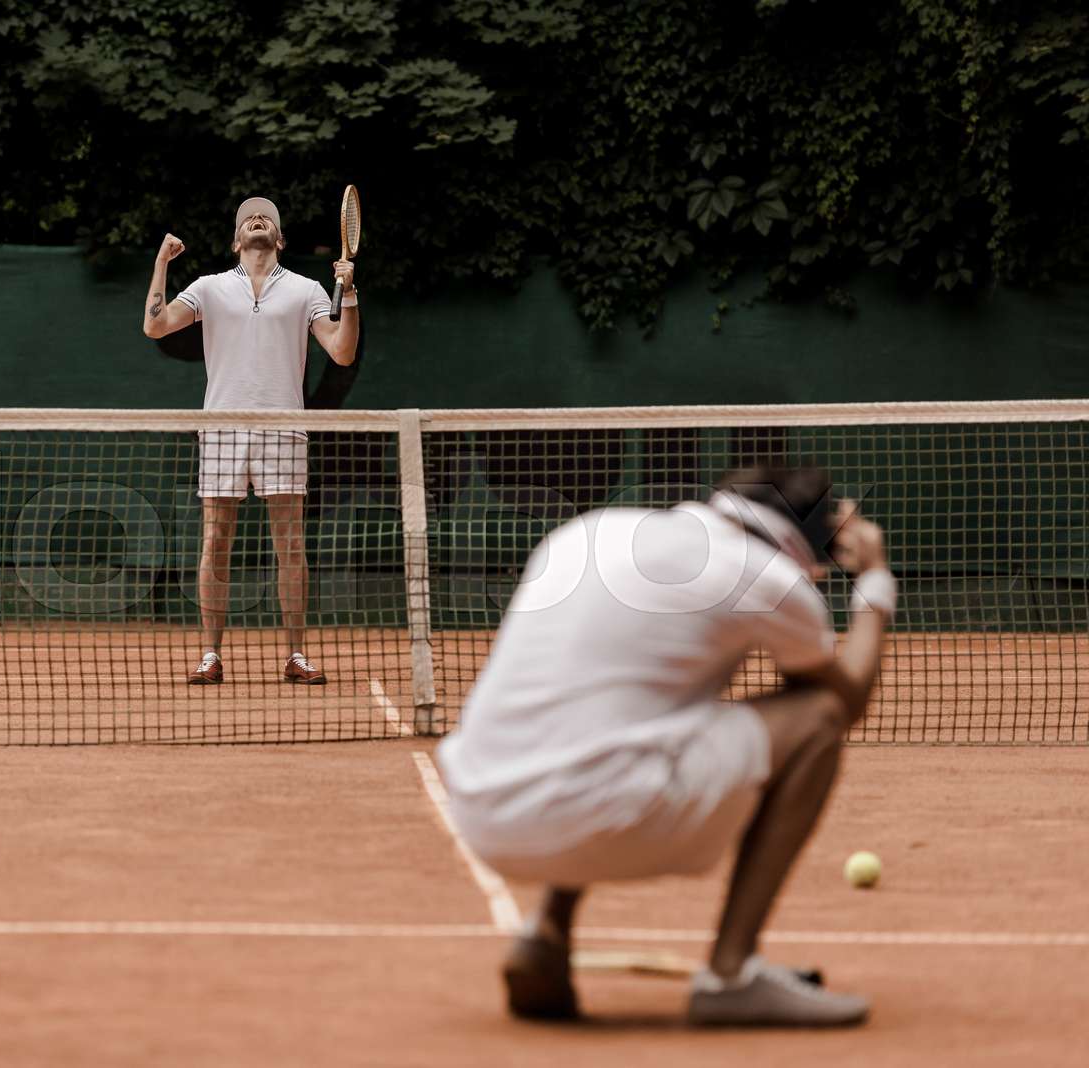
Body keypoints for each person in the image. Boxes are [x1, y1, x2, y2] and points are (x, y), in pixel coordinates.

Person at [437, 466, 896, 1027]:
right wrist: (874, 582)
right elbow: (844, 702)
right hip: (598, 812)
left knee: (612, 712)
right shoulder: (768, 576)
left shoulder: (589, 530)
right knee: (817, 719)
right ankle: (731, 975)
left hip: (480, 813)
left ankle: (545, 937)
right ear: (802, 547)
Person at [141, 197, 359, 685]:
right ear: (236, 240)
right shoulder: (209, 288)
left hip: (283, 427)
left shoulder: (306, 291)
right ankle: (210, 655)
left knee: (290, 544)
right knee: (215, 542)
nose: (257, 220)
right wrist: (161, 264)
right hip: (222, 426)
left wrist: (351, 293)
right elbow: (154, 325)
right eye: (247, 219)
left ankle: (297, 655)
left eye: (267, 219)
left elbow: (341, 352)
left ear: (278, 239)